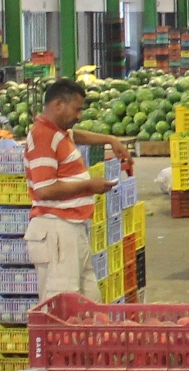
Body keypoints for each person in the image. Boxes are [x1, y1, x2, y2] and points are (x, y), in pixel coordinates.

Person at [23, 78, 132, 300]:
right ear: (58, 105)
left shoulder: (58, 132)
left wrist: (110, 139)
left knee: (89, 302)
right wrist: (89, 186)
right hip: (57, 230)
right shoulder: (43, 136)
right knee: (64, 306)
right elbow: (44, 189)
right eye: (77, 109)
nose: (79, 116)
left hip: (72, 229)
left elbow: (78, 135)